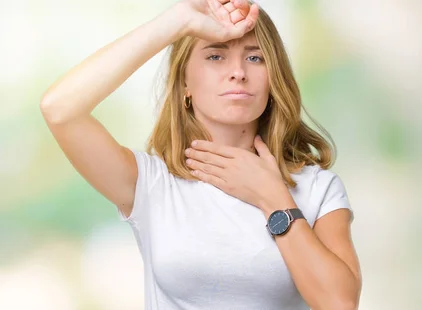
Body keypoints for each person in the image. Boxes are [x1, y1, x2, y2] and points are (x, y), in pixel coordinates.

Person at [40, 0, 362, 309]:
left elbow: (339, 303)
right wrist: (175, 21)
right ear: (184, 83)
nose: (237, 72)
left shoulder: (318, 189)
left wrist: (273, 198)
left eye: (254, 58)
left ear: (272, 78)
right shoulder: (152, 185)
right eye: (215, 56)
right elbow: (59, 109)